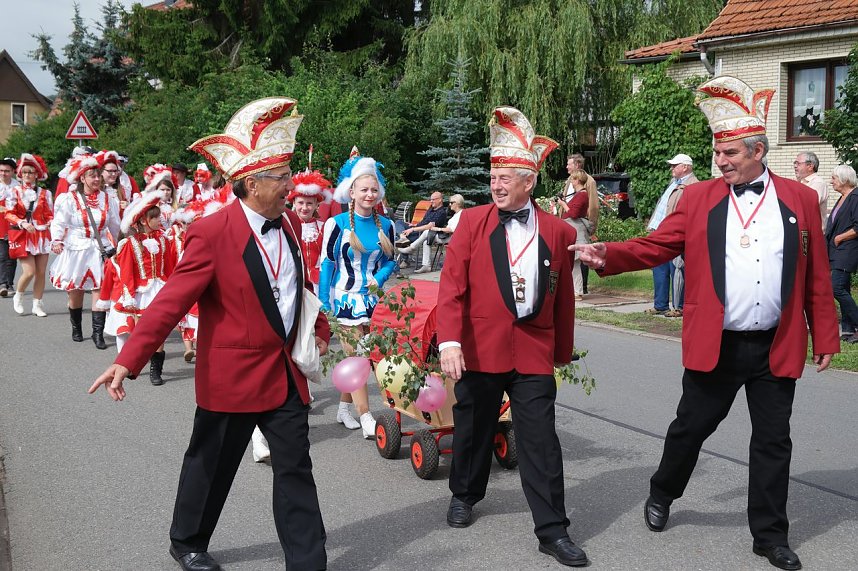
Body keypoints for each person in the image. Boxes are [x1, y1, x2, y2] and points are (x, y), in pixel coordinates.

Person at [573, 75, 839, 571]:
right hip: (717, 343)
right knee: (690, 428)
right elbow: (656, 246)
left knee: (773, 442)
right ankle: (662, 492)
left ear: (758, 151)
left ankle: (769, 535)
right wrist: (606, 253)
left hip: (776, 343)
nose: (722, 161)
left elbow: (816, 271)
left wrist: (824, 332)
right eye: (718, 154)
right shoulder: (697, 200)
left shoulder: (799, 200)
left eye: (731, 153)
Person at [89, 97, 329, 571]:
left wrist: (317, 328)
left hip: (282, 375)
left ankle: (308, 561)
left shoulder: (290, 228)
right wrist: (128, 359)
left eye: (288, 175)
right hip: (231, 377)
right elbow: (172, 300)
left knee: (296, 469)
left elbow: (298, 287)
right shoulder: (211, 233)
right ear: (250, 183)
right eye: (281, 178)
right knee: (211, 466)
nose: (291, 185)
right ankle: (188, 541)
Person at [438, 106, 588, 568]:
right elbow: (451, 288)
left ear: (529, 182)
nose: (496, 184)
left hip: (533, 351)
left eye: (506, 176)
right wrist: (450, 342)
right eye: (493, 175)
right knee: (473, 427)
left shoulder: (559, 231)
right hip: (479, 350)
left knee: (541, 439)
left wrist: (561, 351)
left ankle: (553, 530)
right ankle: (464, 493)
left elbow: (563, 299)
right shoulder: (470, 224)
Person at [319, 153, 397, 439]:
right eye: (363, 189)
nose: (369, 194)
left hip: (373, 300)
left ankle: (343, 409)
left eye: (374, 189)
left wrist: (378, 278)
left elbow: (392, 260)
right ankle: (366, 416)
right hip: (344, 299)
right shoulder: (336, 224)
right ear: (351, 192)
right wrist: (325, 303)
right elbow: (327, 263)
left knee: (367, 356)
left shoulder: (385, 225)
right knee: (359, 359)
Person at [99, 190, 176, 384]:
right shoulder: (129, 244)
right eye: (155, 217)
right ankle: (132, 362)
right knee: (140, 332)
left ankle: (156, 370)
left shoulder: (165, 241)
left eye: (159, 216)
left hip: (160, 290)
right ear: (143, 221)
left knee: (159, 333)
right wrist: (129, 295)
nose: (160, 220)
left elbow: (170, 268)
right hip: (141, 293)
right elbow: (126, 273)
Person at [50, 154, 121, 347]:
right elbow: (59, 221)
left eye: (98, 175)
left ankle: (97, 334)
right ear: (82, 178)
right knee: (76, 291)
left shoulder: (108, 198)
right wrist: (56, 240)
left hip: (100, 248)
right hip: (77, 248)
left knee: (100, 287)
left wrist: (121, 243)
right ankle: (77, 327)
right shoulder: (70, 199)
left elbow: (115, 224)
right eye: (92, 175)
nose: (96, 179)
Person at [645, 154, 698, 317]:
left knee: (677, 270)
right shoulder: (674, 183)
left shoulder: (693, 186)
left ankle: (679, 307)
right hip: (660, 232)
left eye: (675, 165)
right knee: (659, 269)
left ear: (686, 167)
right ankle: (660, 305)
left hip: (675, 235)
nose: (671, 168)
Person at [5, 154, 53, 317]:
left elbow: (49, 214)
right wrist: (23, 223)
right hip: (24, 236)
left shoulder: (45, 194)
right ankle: (18, 295)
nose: (27, 175)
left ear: (37, 175)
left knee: (40, 272)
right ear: (20, 174)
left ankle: (37, 304)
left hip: (41, 236)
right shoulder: (14, 192)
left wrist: (49, 222)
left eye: (30, 172)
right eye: (24, 172)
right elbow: (9, 214)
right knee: (29, 272)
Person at [825, 164, 858, 344]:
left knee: (835, 287)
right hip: (836, 251)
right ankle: (847, 329)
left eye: (834, 178)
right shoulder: (843, 198)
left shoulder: (855, 197)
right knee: (843, 288)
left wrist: (839, 238)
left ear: (844, 179)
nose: (832, 182)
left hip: (847, 250)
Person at [555, 169, 590, 300]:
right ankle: (576, 291)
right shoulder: (579, 194)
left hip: (576, 231)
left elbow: (574, 214)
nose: (571, 181)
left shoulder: (581, 195)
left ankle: (578, 291)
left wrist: (563, 204)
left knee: (575, 262)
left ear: (577, 180)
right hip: (574, 229)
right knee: (574, 263)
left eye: (573, 179)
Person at [395, 191, 448, 273]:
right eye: (431, 199)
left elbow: (429, 226)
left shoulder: (441, 213)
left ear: (440, 200)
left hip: (422, 234)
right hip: (417, 228)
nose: (431, 201)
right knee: (399, 222)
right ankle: (403, 237)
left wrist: (412, 229)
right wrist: (414, 225)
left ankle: (405, 260)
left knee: (397, 237)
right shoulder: (431, 209)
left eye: (433, 199)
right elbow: (424, 221)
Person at [567, 152, 598, 293]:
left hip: (578, 223)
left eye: (569, 164)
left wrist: (591, 226)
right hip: (569, 223)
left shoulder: (589, 181)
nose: (567, 167)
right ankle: (576, 288)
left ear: (577, 165)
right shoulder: (570, 180)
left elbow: (593, 206)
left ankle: (581, 288)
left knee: (580, 257)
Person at [0, 157, 19, 297]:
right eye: (1, 170)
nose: (3, 173)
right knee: (2, 255)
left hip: (13, 225)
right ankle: (2, 283)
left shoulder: (17, 186)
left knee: (12, 256)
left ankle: (9, 283)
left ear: (12, 171)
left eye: (6, 171)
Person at [794, 151, 827, 229]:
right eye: (795, 163)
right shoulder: (799, 181)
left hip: (814, 232)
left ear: (810, 166)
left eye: (798, 163)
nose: (795, 166)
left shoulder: (818, 183)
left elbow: (807, 205)